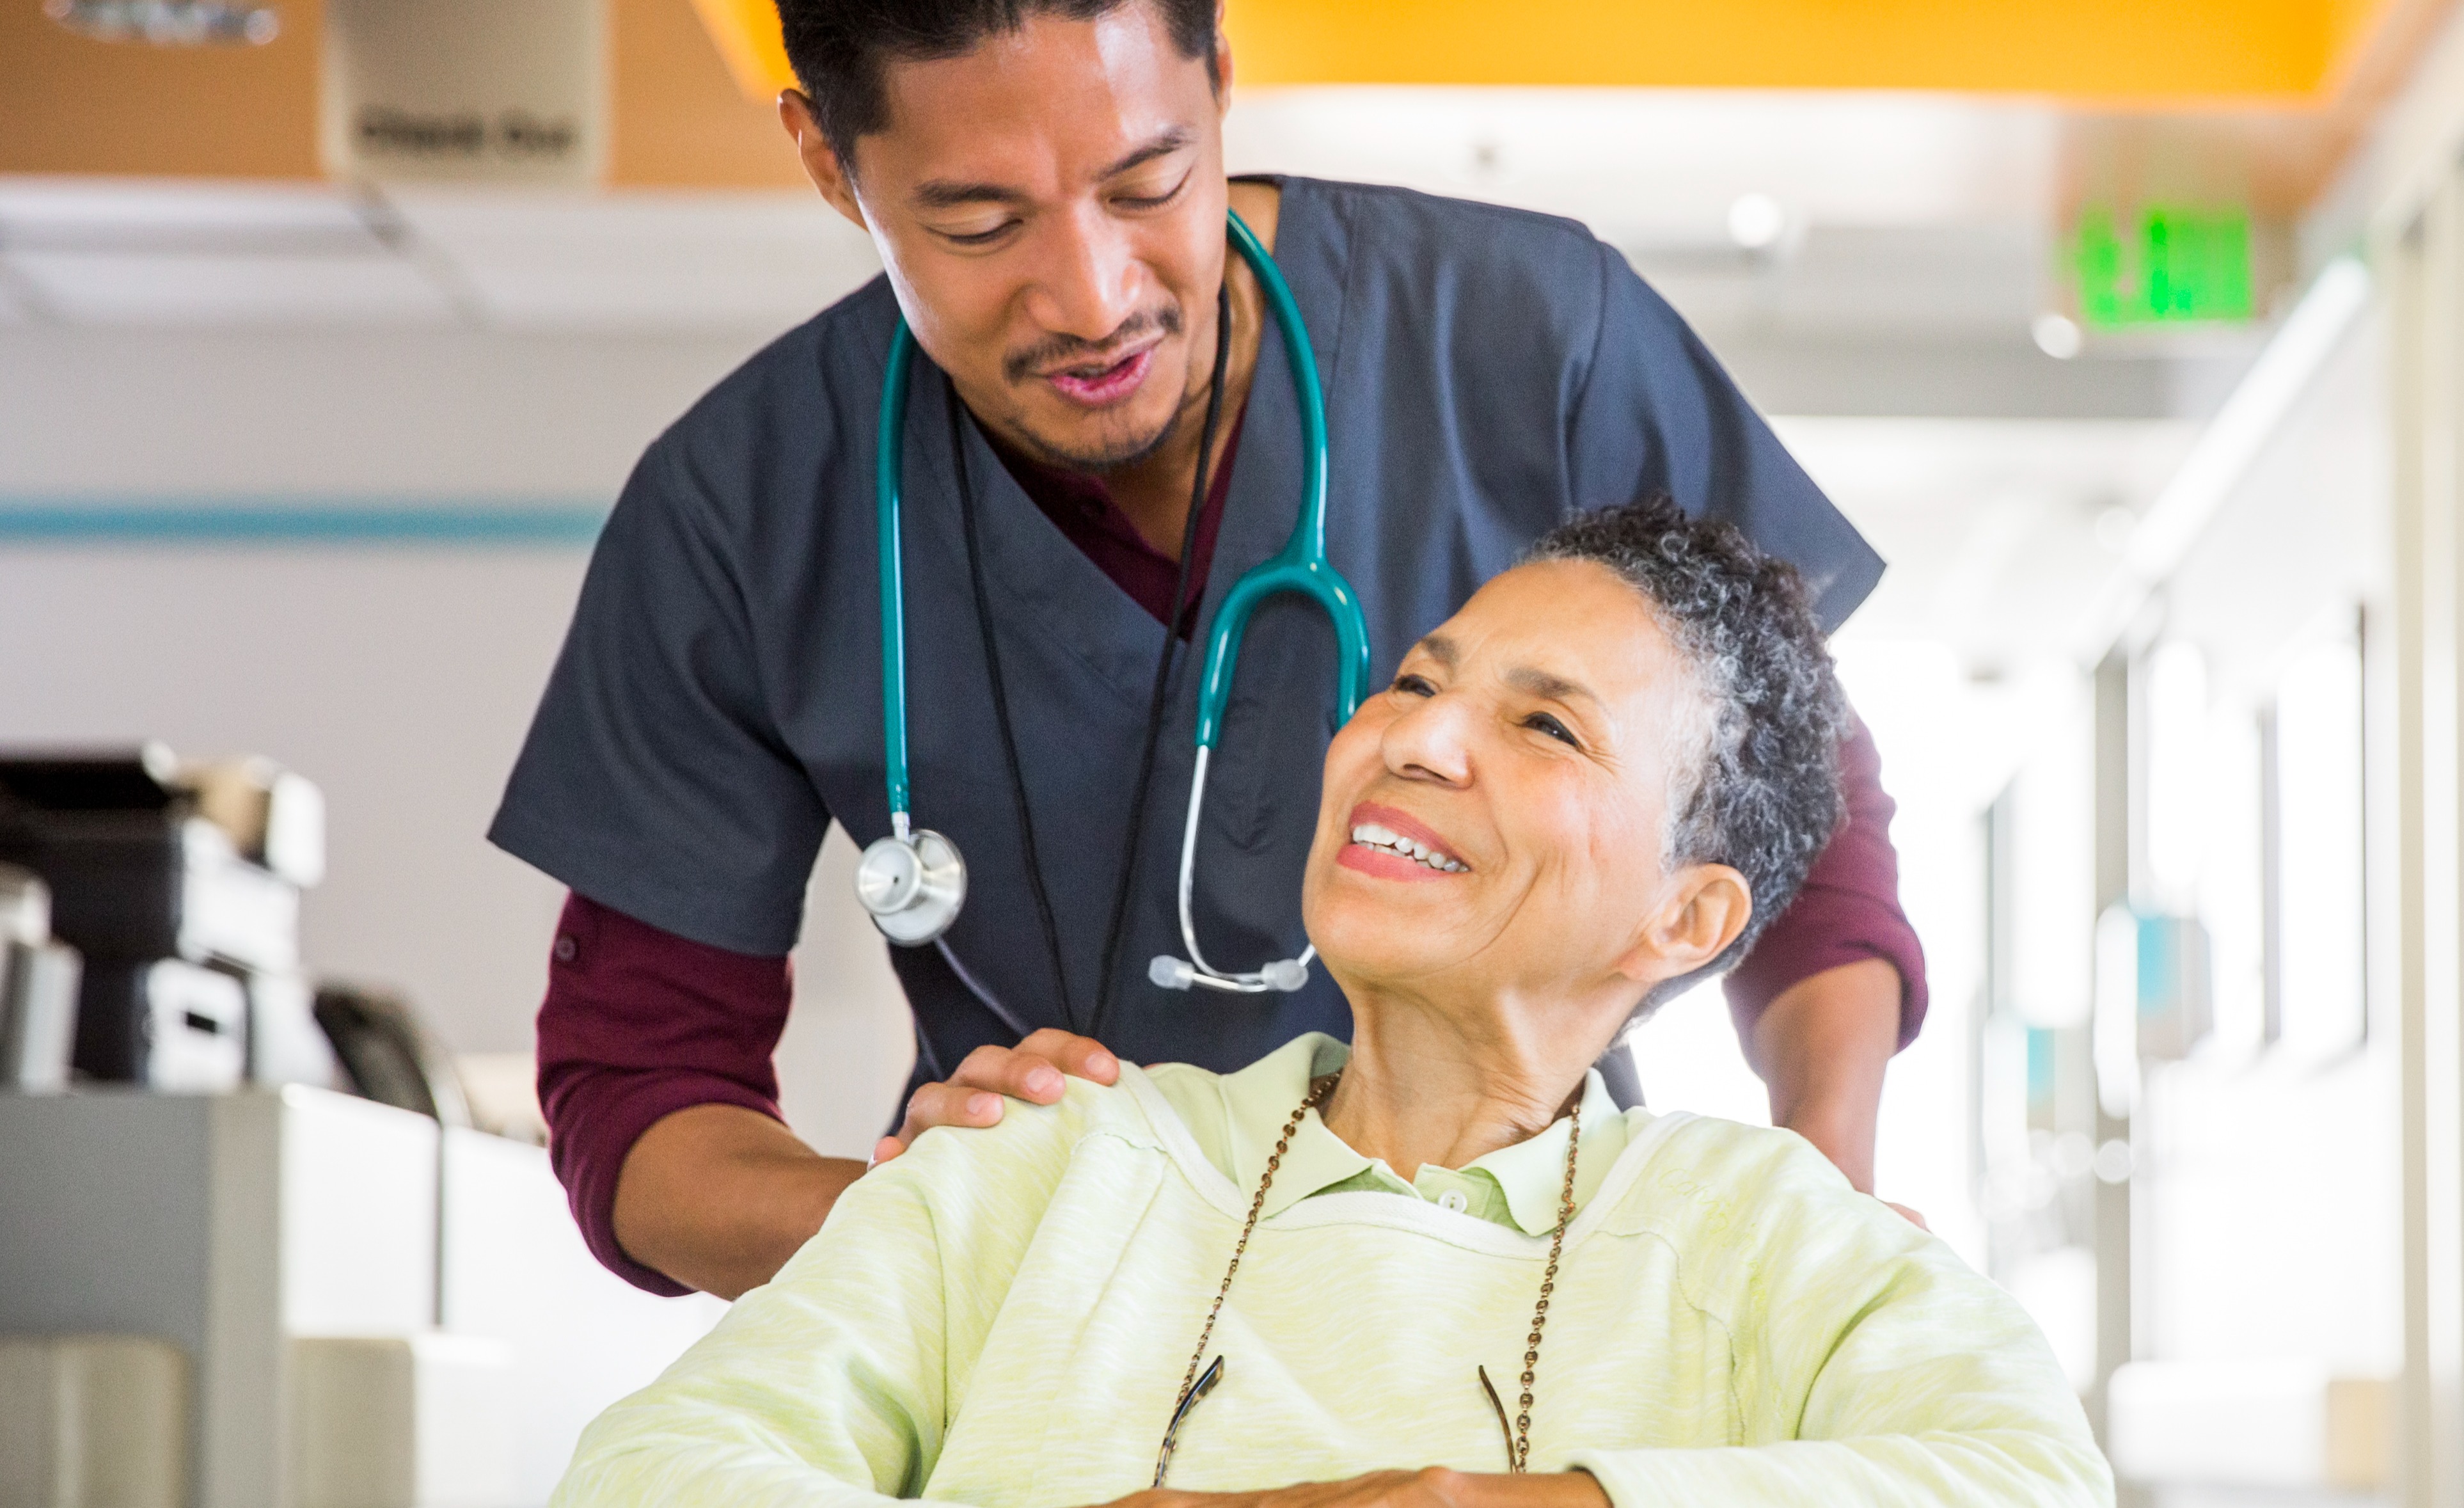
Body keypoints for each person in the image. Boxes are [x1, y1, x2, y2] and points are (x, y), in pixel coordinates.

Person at [489, 0, 1926, 1302]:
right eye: (981, 225)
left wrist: (1818, 1196)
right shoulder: (743, 504)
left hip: (1529, 1299)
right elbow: (639, 1090)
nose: (1092, 298)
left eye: (1146, 182)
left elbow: (1796, 805)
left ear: (1223, 73)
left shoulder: (1522, 341)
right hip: (1042, 1349)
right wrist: (927, 1228)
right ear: (825, 160)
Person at [549, 502, 2107, 1508]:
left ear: (1680, 917)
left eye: (1545, 727)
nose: (1415, 743)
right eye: (1417, 683)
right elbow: (653, 1474)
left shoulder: (1756, 1229)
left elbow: (2026, 1481)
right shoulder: (1048, 1158)